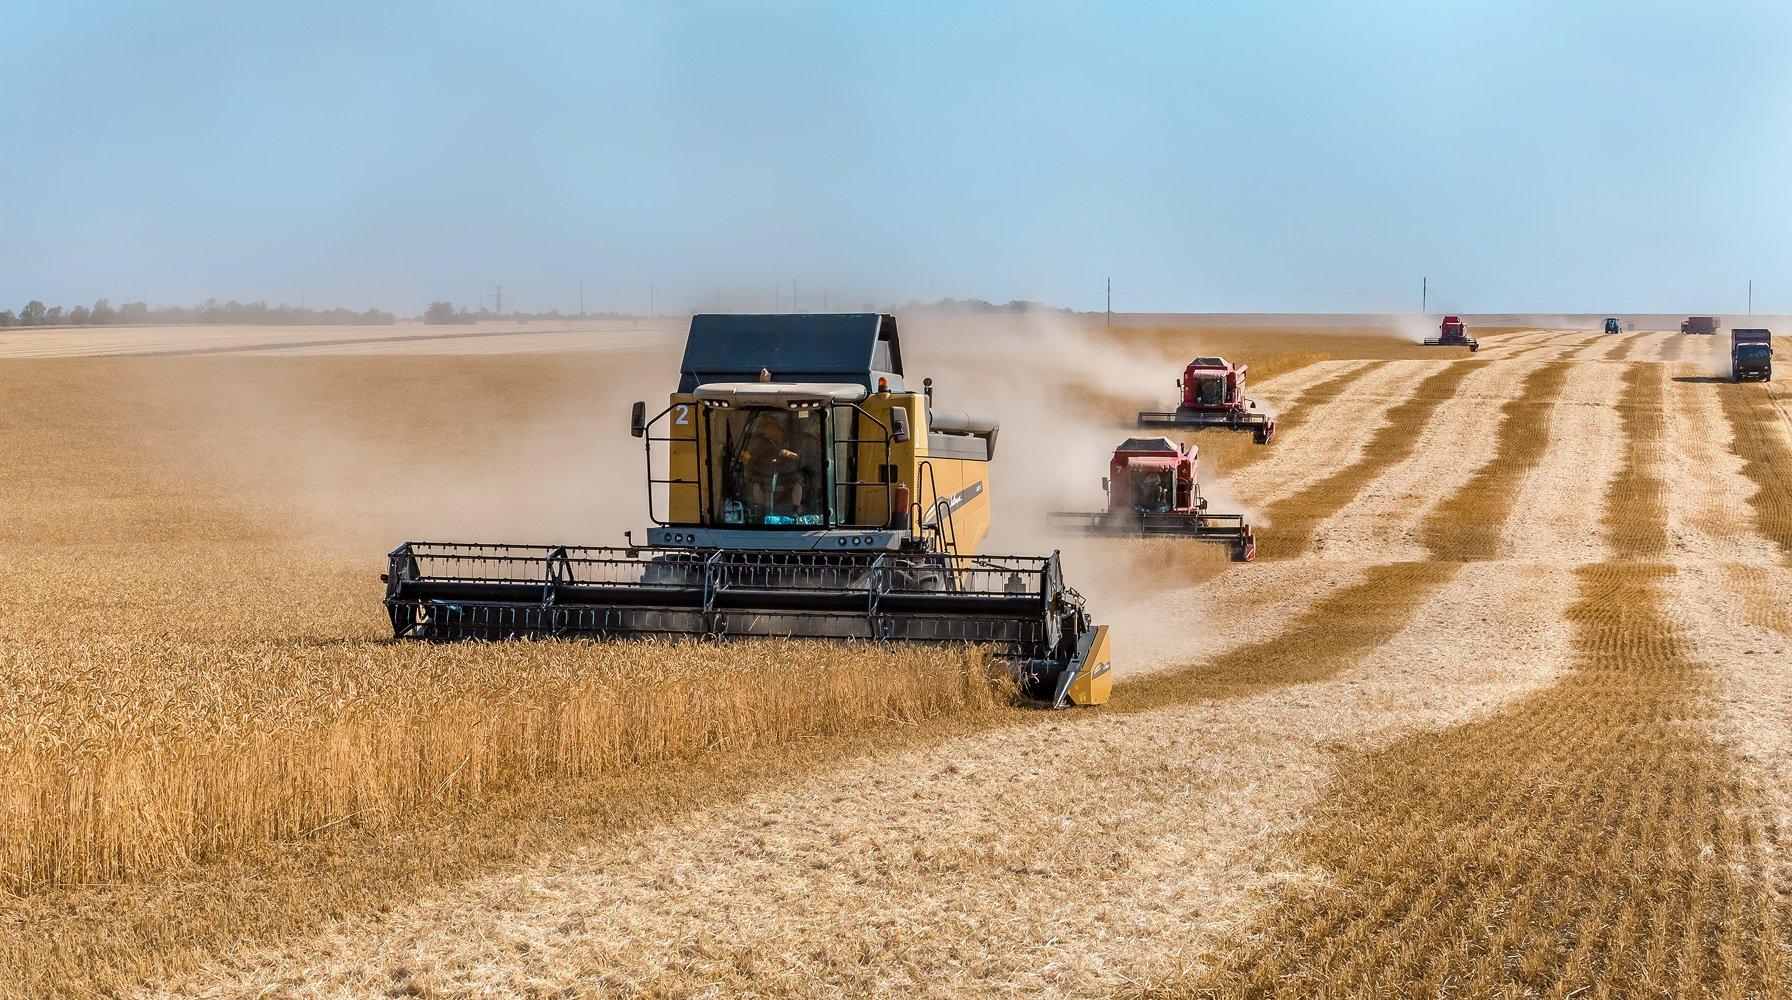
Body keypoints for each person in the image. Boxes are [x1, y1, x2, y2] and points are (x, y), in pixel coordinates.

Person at [740, 417, 820, 519]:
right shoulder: (762, 442)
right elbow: (754, 457)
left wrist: (789, 454)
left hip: (788, 473)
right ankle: (759, 510)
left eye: (765, 428)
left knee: (798, 481)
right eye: (762, 429)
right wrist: (747, 457)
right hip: (767, 473)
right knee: (755, 482)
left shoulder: (791, 440)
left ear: (774, 427)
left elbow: (801, 457)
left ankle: (795, 510)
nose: (763, 431)